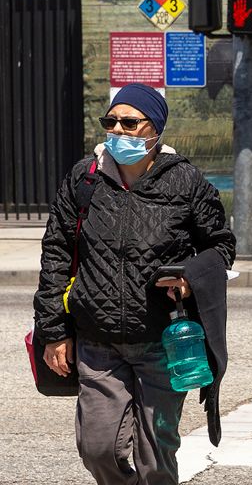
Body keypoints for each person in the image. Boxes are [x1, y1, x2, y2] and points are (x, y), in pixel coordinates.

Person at [33, 83, 236, 485]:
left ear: (155, 129)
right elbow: (56, 255)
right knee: (97, 449)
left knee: (156, 456)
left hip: (163, 342)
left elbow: (220, 246)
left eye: (130, 122)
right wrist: (54, 331)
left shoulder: (186, 182)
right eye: (111, 122)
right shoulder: (83, 180)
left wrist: (190, 276)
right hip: (97, 341)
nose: (118, 131)